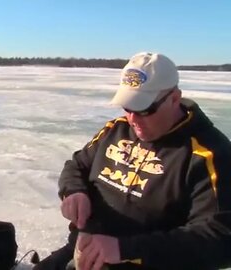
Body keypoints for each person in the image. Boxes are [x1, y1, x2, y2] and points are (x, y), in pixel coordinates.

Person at [34, 52, 231, 270]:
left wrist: (124, 249)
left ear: (174, 98)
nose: (133, 119)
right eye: (128, 107)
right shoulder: (116, 130)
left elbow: (220, 239)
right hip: (85, 252)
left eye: (145, 109)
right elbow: (77, 165)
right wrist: (74, 191)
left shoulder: (209, 154)